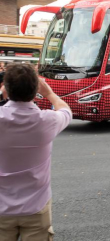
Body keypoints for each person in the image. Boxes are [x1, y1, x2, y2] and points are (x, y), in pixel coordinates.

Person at [0, 63, 72, 240]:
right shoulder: (46, 120)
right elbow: (66, 111)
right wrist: (49, 93)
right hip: (35, 207)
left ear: (6, 89)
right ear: (35, 91)